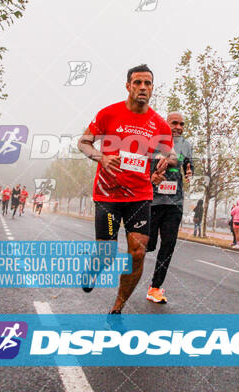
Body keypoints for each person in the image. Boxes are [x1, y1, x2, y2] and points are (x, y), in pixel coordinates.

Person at [78, 64, 176, 314]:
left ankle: (118, 305)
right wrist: (100, 157)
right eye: (138, 83)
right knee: (107, 253)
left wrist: (168, 160)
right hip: (108, 195)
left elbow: (171, 153)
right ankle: (93, 269)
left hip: (140, 197)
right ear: (128, 86)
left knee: (137, 252)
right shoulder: (108, 114)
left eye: (148, 83)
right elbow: (83, 142)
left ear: (152, 88)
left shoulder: (159, 125)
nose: (143, 87)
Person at [146, 111, 193, 304]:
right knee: (146, 246)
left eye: (182, 124)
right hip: (151, 201)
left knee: (168, 244)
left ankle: (155, 288)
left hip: (174, 203)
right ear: (165, 124)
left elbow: (188, 164)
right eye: (174, 123)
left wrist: (190, 170)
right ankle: (128, 279)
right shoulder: (152, 141)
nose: (179, 127)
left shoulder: (186, 145)